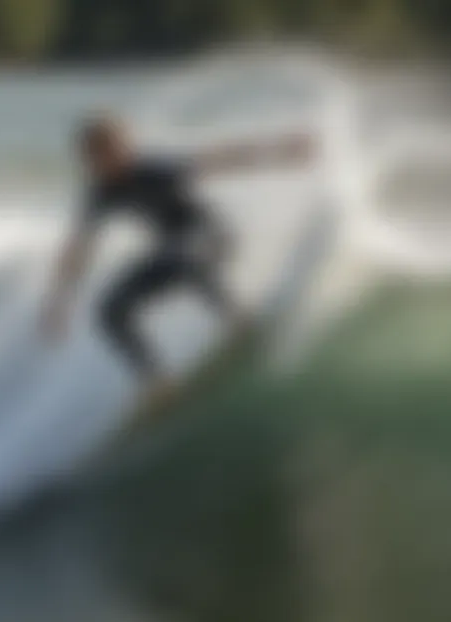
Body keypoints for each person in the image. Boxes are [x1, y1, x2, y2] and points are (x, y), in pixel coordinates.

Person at [44, 114, 315, 404]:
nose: (98, 162)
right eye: (92, 157)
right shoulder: (100, 193)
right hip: (172, 253)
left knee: (180, 254)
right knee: (110, 311)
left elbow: (219, 160)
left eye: (105, 151)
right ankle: (158, 380)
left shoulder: (153, 169)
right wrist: (59, 301)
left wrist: (282, 150)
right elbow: (80, 247)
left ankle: (239, 321)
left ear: (121, 146)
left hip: (213, 237)